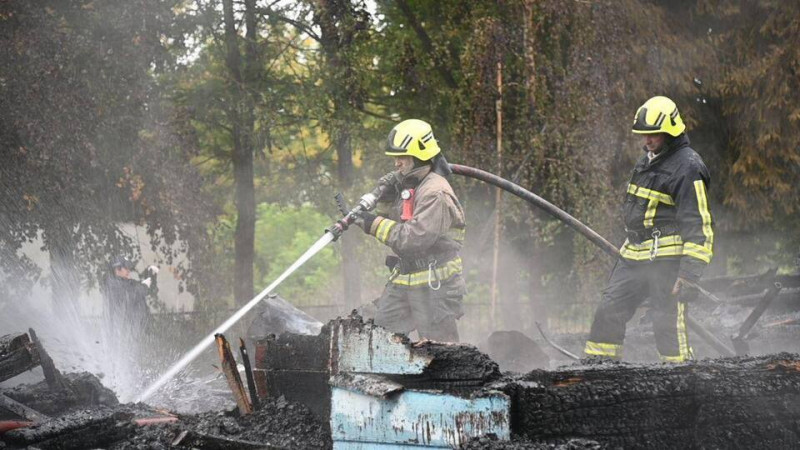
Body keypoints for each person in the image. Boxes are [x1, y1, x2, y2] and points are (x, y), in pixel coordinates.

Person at [584, 96, 714, 362]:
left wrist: (689, 274)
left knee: (666, 323)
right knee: (609, 309)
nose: (647, 141)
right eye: (644, 135)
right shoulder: (647, 160)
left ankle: (680, 382)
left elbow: (698, 223)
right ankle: (599, 371)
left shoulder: (688, 166)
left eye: (653, 135)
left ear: (671, 130)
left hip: (666, 259)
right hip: (633, 256)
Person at [356, 119, 467, 342]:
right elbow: (400, 221)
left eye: (402, 157)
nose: (396, 164)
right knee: (380, 339)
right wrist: (374, 209)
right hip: (405, 280)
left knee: (442, 354)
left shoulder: (435, 193)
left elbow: (412, 239)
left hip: (435, 287)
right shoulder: (411, 186)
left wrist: (373, 224)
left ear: (420, 156)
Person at [102, 255, 157, 330]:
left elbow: (148, 290)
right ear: (117, 270)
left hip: (140, 330)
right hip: (124, 332)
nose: (128, 270)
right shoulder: (113, 285)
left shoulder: (128, 282)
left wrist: (151, 275)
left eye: (129, 268)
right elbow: (130, 297)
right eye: (126, 268)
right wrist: (144, 286)